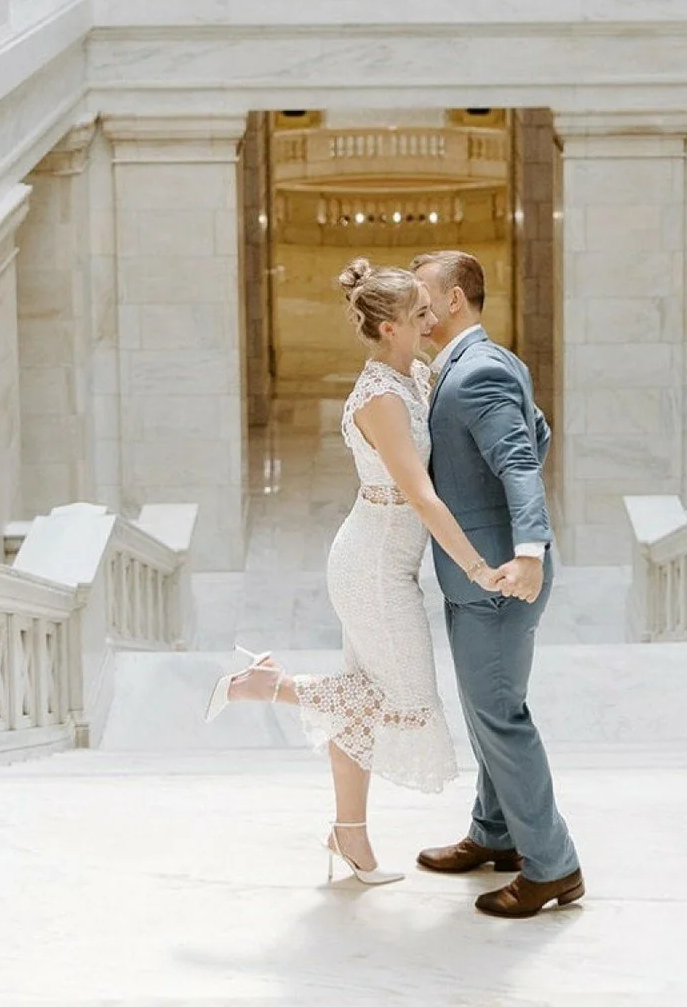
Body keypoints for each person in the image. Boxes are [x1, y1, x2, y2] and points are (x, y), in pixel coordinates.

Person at [203, 260, 506, 885]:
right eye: (420, 313)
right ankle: (264, 685)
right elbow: (422, 495)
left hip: (382, 560)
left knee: (360, 705)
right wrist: (476, 566)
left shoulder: (413, 375)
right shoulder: (381, 399)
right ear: (390, 328)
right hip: (373, 567)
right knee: (406, 702)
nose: (432, 319)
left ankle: (350, 836)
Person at [409, 249, 584, 918]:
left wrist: (528, 551)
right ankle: (495, 832)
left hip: (501, 578)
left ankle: (554, 867)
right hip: (478, 574)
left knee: (501, 717)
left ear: (454, 299)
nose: (417, 306)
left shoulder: (478, 369)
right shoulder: (486, 361)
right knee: (485, 710)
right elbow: (538, 435)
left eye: (423, 293)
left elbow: (519, 461)